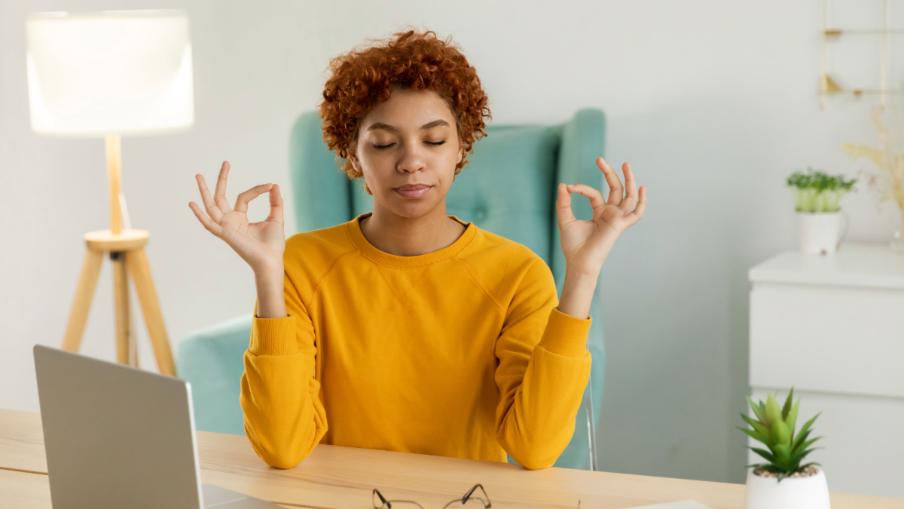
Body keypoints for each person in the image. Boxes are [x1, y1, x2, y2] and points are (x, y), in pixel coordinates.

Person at [188, 29, 646, 471]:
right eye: (385, 143)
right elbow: (282, 448)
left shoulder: (518, 274)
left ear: (461, 147)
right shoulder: (302, 266)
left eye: (434, 140)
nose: (411, 161)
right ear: (353, 157)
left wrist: (583, 273)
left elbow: (536, 448)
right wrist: (268, 275)